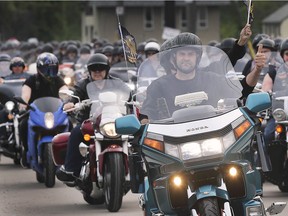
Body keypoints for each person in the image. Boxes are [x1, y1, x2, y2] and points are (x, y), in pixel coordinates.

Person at [139, 32, 266, 124]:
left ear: (197, 58)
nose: (186, 58)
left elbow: (243, 88)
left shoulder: (211, 79)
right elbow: (145, 116)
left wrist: (257, 70)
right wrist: (145, 125)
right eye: (182, 54)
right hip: (172, 143)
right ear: (174, 58)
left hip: (214, 137)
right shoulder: (158, 86)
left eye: (190, 54)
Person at [56, 53, 131, 182]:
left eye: (100, 68)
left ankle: (138, 168)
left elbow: (128, 93)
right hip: (90, 121)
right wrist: (70, 103)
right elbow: (74, 95)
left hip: (113, 120)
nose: (97, 72)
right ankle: (71, 169)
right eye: (93, 69)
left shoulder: (116, 83)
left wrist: (135, 98)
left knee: (134, 135)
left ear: (106, 70)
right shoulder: (83, 84)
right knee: (75, 133)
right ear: (89, 71)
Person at [19, 52, 69, 167]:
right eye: (46, 69)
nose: (49, 73)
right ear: (39, 68)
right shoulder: (31, 80)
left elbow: (65, 93)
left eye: (52, 69)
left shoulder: (58, 80)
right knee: (23, 124)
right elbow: (25, 95)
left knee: (70, 124)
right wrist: (23, 105)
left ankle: (69, 154)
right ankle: (26, 151)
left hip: (56, 113)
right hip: (35, 113)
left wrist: (68, 102)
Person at [262, 38, 288, 150]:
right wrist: (268, 93)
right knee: (267, 135)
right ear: (282, 55)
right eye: (287, 54)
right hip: (278, 115)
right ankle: (265, 165)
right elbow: (265, 91)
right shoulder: (274, 72)